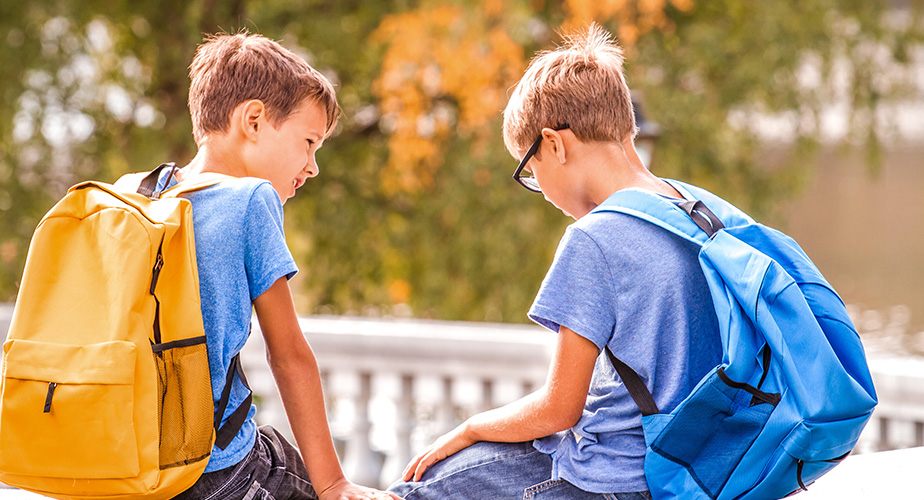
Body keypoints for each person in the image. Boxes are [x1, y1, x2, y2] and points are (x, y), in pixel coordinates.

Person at [388, 24, 722, 500]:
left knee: (418, 489)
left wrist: (469, 428)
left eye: (531, 171)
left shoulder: (595, 238)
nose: (540, 190)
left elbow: (559, 409)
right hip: (697, 468)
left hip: (617, 478)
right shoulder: (696, 209)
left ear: (554, 144)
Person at [139, 32, 401, 500]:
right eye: (308, 142)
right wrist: (335, 484)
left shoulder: (144, 192)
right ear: (254, 120)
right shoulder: (249, 199)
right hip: (213, 472)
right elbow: (289, 354)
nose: (313, 166)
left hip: (135, 464)